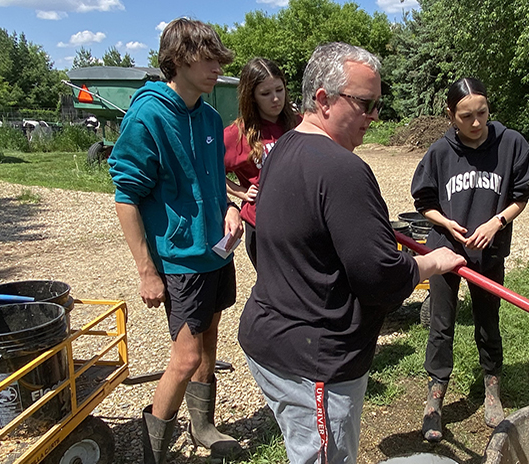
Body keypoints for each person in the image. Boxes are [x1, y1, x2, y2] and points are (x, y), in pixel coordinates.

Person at [238, 42, 466, 464]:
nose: (376, 115)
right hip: (314, 360)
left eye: (377, 103)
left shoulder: (282, 148)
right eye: (366, 103)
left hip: (272, 339)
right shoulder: (342, 169)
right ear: (323, 99)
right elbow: (380, 278)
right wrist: (434, 262)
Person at [107, 18, 243, 464]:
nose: (216, 69)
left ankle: (203, 426)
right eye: (208, 59)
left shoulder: (208, 114)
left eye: (218, 60)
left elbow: (214, 180)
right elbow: (126, 195)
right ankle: (153, 455)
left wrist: (228, 207)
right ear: (179, 60)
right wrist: (147, 271)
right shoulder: (147, 115)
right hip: (179, 260)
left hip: (215, 255)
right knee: (184, 359)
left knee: (209, 344)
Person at [410, 77, 529, 442]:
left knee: (487, 321)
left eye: (482, 112)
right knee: (441, 324)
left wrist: (496, 222)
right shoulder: (439, 152)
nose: (477, 122)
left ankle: (492, 389)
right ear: (451, 115)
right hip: (445, 250)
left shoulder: (510, 144)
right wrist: (446, 223)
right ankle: (434, 400)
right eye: (466, 115)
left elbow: (522, 194)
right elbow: (425, 202)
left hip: (489, 251)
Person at [224, 57, 300, 267]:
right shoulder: (237, 135)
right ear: (252, 97)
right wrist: (239, 192)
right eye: (266, 93)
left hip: (300, 222)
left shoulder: (299, 124)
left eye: (279, 90)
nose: (275, 98)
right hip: (262, 226)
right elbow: (206, 171)